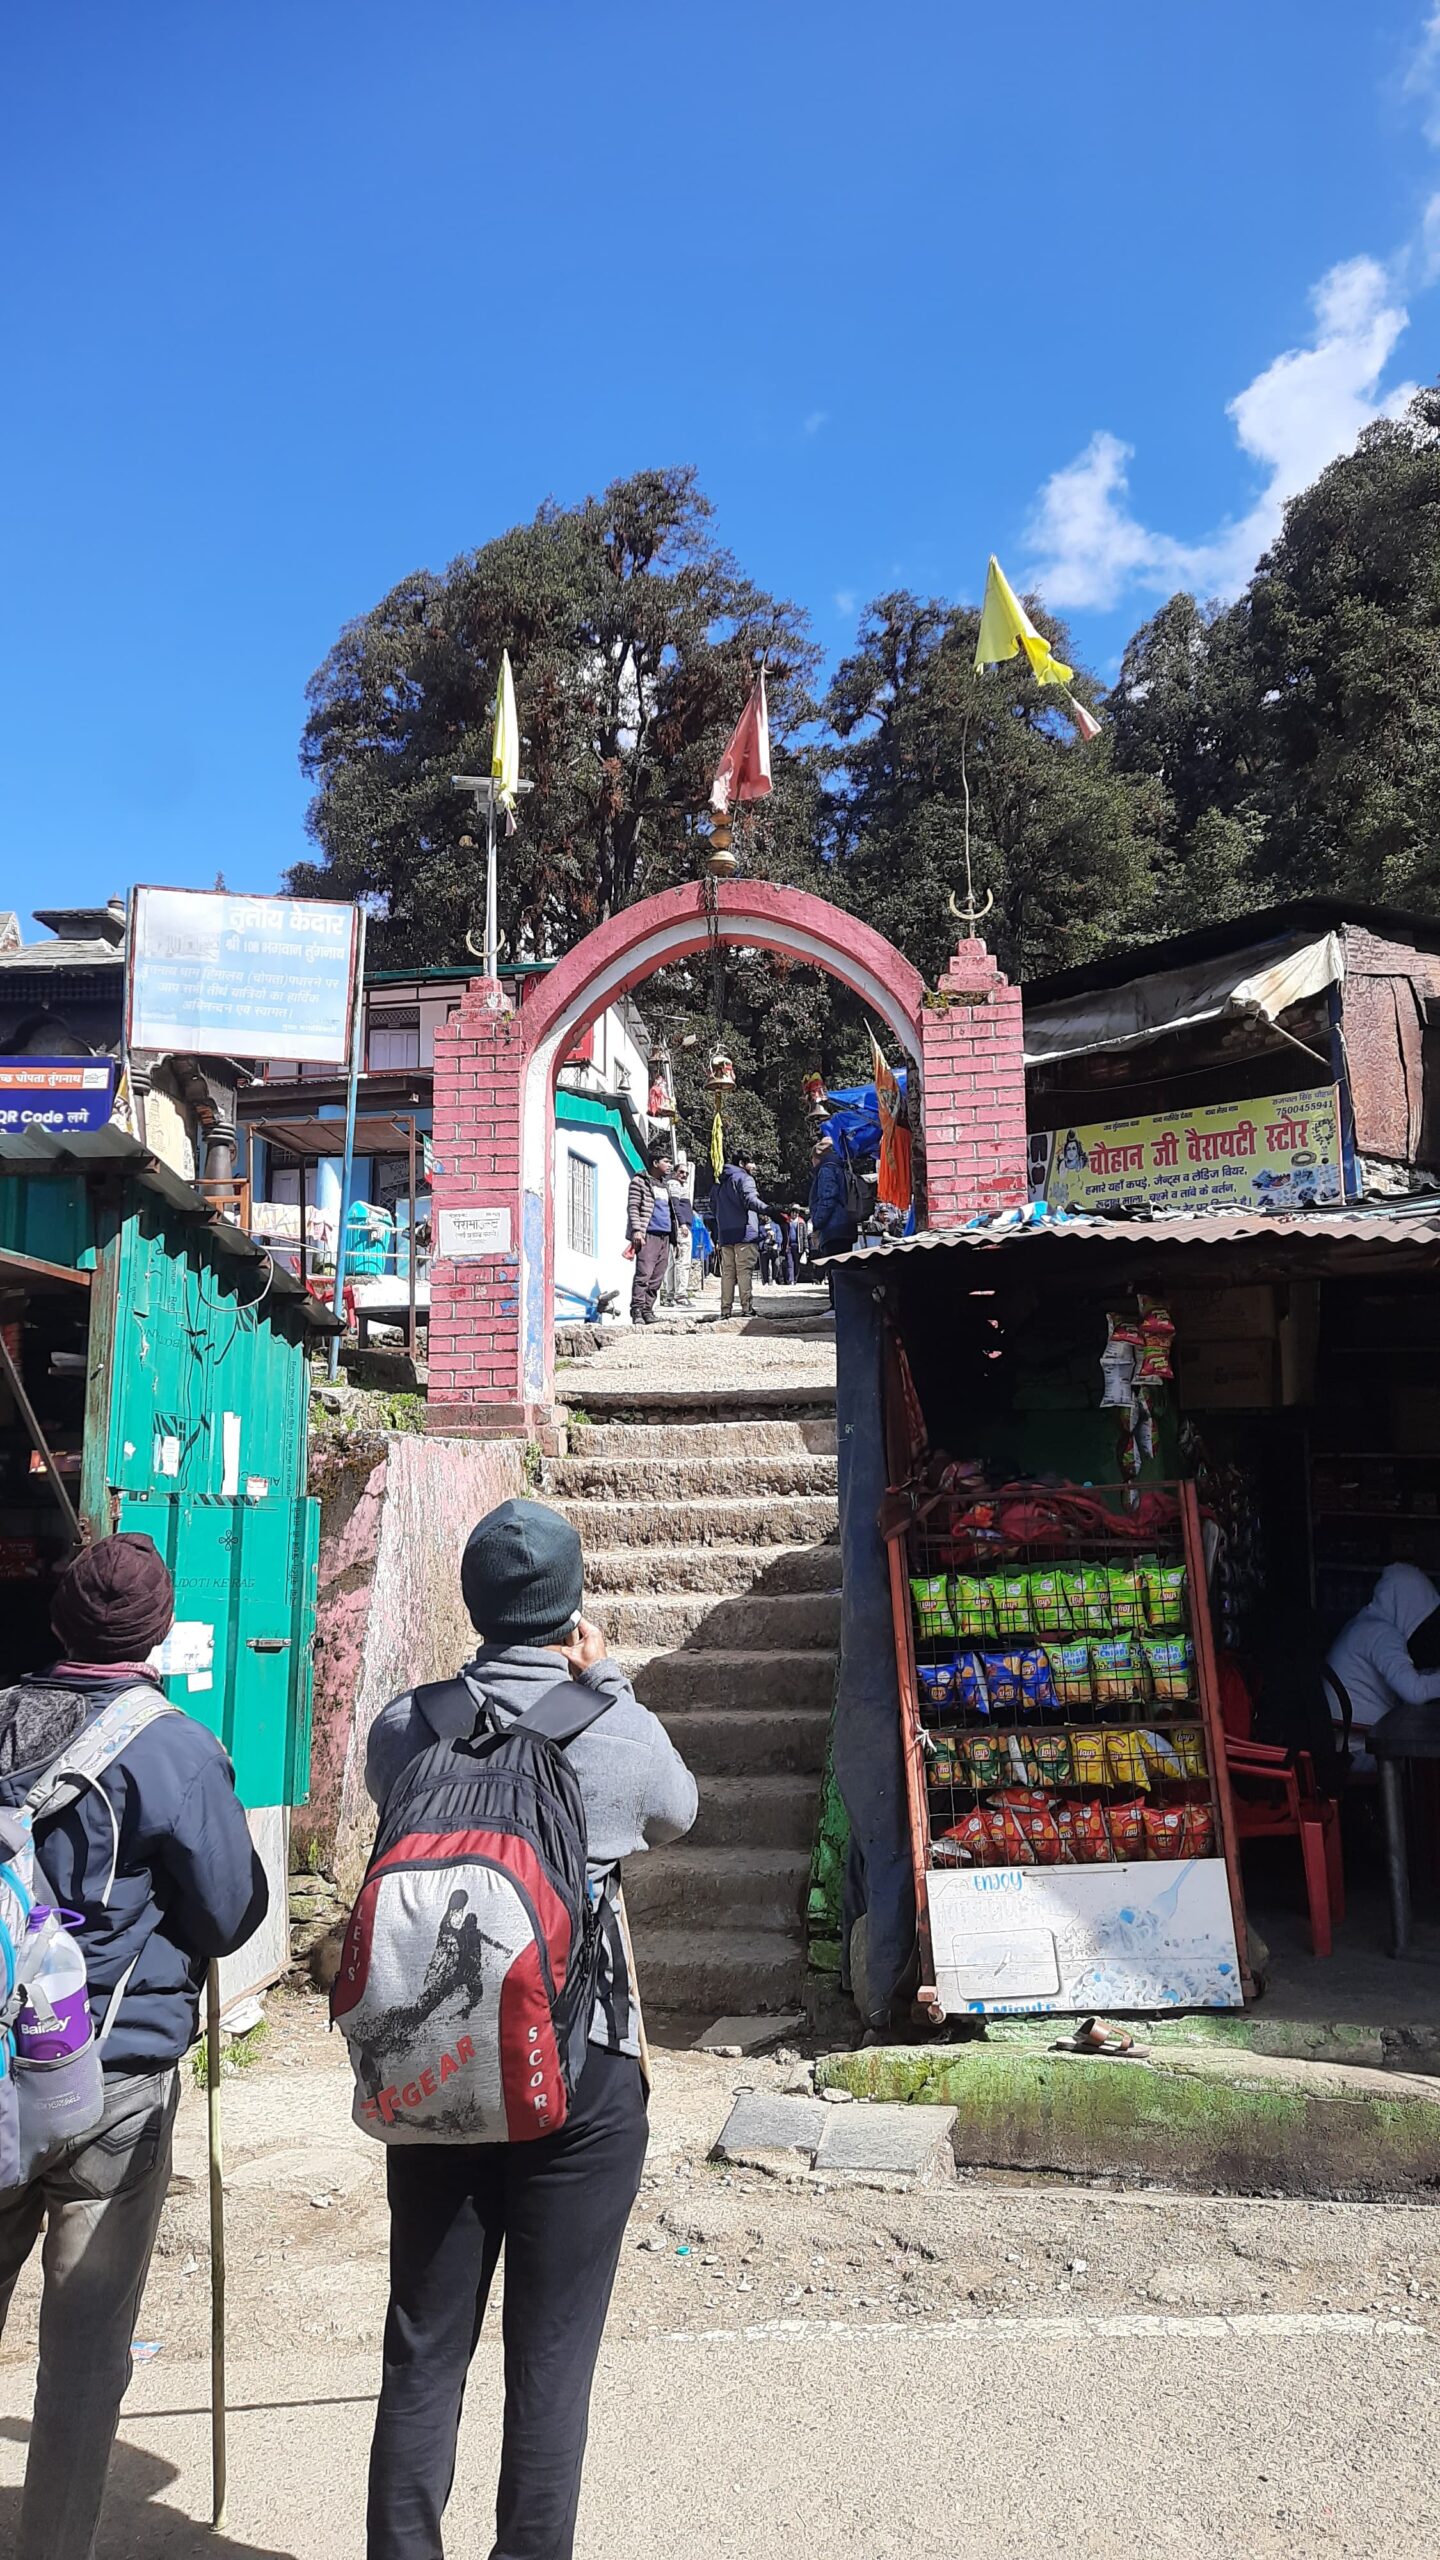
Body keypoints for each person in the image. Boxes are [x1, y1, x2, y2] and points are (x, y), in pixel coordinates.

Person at [364, 1498, 698, 2560]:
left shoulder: (404, 1724)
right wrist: (606, 1682)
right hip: (583, 2060)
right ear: (571, 1603)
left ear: (474, 1602)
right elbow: (677, 1810)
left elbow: (397, 1800)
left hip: (438, 2056)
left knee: (424, 2342)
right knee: (549, 2356)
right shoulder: (615, 1727)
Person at [0, 1534, 268, 2560]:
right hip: (111, 2080)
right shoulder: (174, 1748)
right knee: (82, 2352)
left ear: (58, 1623)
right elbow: (229, 1913)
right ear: (160, 1633)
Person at [1326, 1563, 1440, 1766]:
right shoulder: (1382, 1635)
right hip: (1362, 1749)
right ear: (1408, 1604)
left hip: (1344, 1741)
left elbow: (1406, 1677)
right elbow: (1415, 1692)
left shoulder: (1362, 1625)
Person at [711, 1156, 766, 1318]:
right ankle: (746, 1308)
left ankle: (725, 1310)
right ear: (742, 1163)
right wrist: (768, 1210)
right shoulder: (745, 1179)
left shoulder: (719, 1182)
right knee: (744, 1271)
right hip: (745, 1231)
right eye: (752, 1162)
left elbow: (712, 1206)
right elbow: (751, 1200)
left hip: (725, 1233)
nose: (754, 1166)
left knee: (728, 1272)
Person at [624, 1149, 674, 1325]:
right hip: (648, 1234)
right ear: (655, 1163)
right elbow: (633, 1207)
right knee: (644, 1274)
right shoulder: (640, 1182)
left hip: (665, 1236)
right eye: (666, 1161)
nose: (669, 1166)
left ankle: (648, 1309)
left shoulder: (665, 1185)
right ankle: (637, 1310)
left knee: (657, 1276)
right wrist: (637, 1230)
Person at [809, 1132, 860, 1258]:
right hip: (846, 1226)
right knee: (844, 1268)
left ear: (817, 1157)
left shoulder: (826, 1169)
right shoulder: (841, 1168)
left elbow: (827, 1198)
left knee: (836, 1268)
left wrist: (817, 1221)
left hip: (833, 1228)